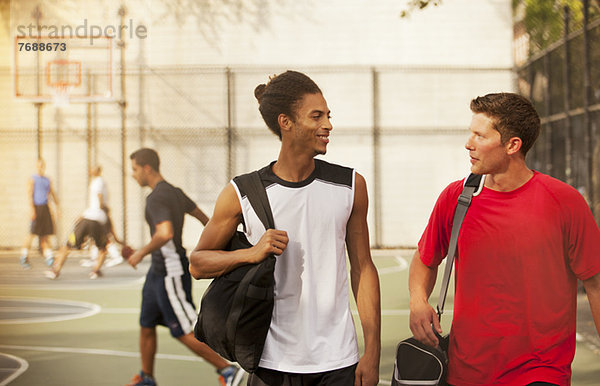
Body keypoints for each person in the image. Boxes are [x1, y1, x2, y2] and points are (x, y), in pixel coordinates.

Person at [189, 71, 381, 386]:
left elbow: (363, 268)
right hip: (270, 364)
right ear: (286, 122)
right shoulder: (243, 192)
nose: (328, 125)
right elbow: (198, 263)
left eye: (328, 116)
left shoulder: (350, 185)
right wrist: (250, 254)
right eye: (316, 116)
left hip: (338, 361)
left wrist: (371, 351)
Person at [408, 92, 600, 385]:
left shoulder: (565, 202)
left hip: (542, 370)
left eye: (479, 136)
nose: (468, 143)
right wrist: (418, 300)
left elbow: (595, 284)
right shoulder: (456, 198)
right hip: (467, 373)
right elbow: (425, 259)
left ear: (513, 145)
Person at [127, 148, 244, 386]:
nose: (133, 174)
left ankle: (228, 369)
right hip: (157, 272)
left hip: (170, 271)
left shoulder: (156, 198)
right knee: (146, 322)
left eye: (135, 169)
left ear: (147, 168)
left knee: (182, 329)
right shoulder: (175, 192)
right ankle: (146, 377)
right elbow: (206, 221)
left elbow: (165, 233)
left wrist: (140, 252)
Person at [45, 165, 116, 279]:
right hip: (94, 220)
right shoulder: (100, 184)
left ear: (97, 171)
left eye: (92, 169)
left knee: (67, 245)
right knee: (103, 248)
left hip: (88, 219)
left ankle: (55, 270)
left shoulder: (98, 182)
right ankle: (95, 271)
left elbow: (99, 197)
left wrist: (99, 208)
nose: (90, 170)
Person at [20, 158, 59, 269]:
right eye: (38, 165)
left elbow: (52, 193)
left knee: (45, 235)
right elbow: (29, 194)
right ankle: (23, 257)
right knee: (31, 234)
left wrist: (57, 207)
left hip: (45, 208)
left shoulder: (47, 179)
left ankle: (49, 258)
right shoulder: (32, 179)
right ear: (36, 166)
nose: (40, 167)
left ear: (44, 166)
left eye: (42, 165)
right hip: (36, 208)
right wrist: (32, 209)